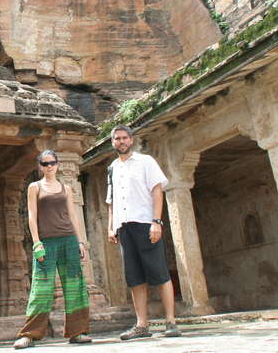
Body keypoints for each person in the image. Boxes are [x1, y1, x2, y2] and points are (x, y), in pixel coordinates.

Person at [106, 125, 182, 340]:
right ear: (113, 143)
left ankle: (170, 322)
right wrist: (111, 226)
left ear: (131, 140)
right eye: (117, 139)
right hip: (124, 227)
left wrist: (156, 222)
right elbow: (111, 200)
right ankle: (142, 325)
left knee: (159, 272)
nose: (121, 142)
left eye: (124, 138)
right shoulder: (112, 168)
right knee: (135, 277)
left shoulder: (145, 161)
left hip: (145, 223)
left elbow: (157, 191)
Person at [13, 150, 91, 349]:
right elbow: (32, 216)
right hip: (46, 242)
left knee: (75, 286)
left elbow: (72, 215)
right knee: (41, 288)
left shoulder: (66, 188)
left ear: (57, 164)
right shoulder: (35, 187)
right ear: (40, 166)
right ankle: (29, 335)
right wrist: (36, 242)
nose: (49, 166)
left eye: (52, 163)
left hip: (68, 240)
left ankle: (77, 332)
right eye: (45, 163)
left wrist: (80, 241)